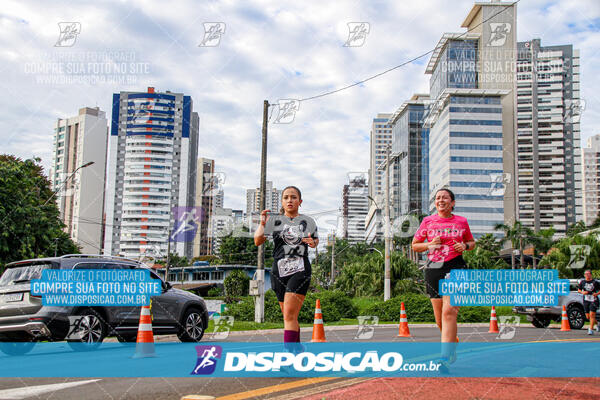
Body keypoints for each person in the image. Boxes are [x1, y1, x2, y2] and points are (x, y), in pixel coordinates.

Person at [411, 188, 475, 366]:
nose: (441, 200)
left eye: (445, 197)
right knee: (439, 318)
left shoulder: (462, 221)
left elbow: (471, 242)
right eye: (438, 198)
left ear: (452, 203)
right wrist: (429, 244)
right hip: (434, 268)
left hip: (457, 267)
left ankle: (445, 357)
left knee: (450, 311)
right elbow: (415, 245)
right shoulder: (428, 221)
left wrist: (465, 246)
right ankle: (451, 341)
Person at [254, 186, 318, 347]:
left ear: (300, 201)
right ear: (282, 201)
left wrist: (313, 242)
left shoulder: (308, 221)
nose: (290, 200)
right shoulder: (275, 221)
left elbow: (315, 240)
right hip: (278, 270)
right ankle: (297, 350)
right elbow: (258, 240)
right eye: (286, 197)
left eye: (294, 197)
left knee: (289, 315)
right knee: (289, 317)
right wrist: (262, 224)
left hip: (300, 269)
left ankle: (289, 357)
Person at [578, 269, 600, 335]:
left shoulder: (595, 282)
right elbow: (579, 290)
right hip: (586, 300)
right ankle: (598, 323)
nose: (587, 275)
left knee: (592, 315)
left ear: (590, 274)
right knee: (588, 317)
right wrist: (582, 292)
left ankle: (590, 329)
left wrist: (596, 294)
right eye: (585, 274)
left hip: (594, 300)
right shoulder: (582, 282)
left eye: (588, 274)